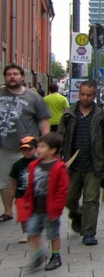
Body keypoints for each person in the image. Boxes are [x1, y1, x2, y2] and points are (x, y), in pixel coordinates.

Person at [58, 80, 104, 246]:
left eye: (89, 95)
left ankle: (89, 232)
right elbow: (60, 137)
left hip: (93, 166)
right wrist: (58, 157)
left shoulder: (101, 115)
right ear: (78, 94)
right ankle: (78, 215)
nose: (85, 98)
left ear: (94, 96)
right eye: (82, 94)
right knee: (68, 199)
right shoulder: (68, 115)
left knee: (91, 200)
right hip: (72, 166)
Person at [0, 63, 51, 222]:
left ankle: (32, 209)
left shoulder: (33, 97)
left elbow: (44, 120)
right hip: (4, 146)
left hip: (28, 147)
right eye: (9, 74)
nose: (12, 77)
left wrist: (45, 143)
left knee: (30, 181)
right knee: (5, 180)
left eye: (15, 74)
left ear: (22, 77)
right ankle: (8, 211)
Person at [15, 132, 69, 271]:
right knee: (31, 231)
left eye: (42, 147)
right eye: (38, 146)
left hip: (50, 209)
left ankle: (55, 256)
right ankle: (39, 254)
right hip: (35, 208)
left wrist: (57, 209)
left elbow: (62, 190)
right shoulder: (34, 165)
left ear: (52, 150)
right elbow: (30, 186)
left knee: (53, 234)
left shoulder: (58, 167)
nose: (38, 149)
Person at [10, 136, 38, 243]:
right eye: (24, 149)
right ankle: (26, 232)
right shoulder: (17, 164)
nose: (27, 152)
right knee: (23, 214)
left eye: (30, 149)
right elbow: (14, 178)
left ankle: (35, 229)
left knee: (35, 213)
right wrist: (14, 191)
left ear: (36, 149)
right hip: (21, 193)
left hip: (36, 193)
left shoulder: (39, 162)